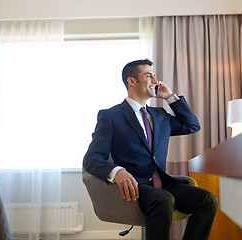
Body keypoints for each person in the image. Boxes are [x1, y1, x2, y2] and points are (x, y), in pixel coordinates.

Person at [83, 59, 217, 240]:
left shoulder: (160, 116)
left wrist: (170, 97)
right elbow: (92, 159)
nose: (156, 80)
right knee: (163, 200)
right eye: (149, 75)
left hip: (163, 183)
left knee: (207, 200)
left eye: (155, 75)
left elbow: (192, 126)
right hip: (137, 186)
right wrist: (117, 171)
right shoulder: (111, 116)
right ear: (132, 81)